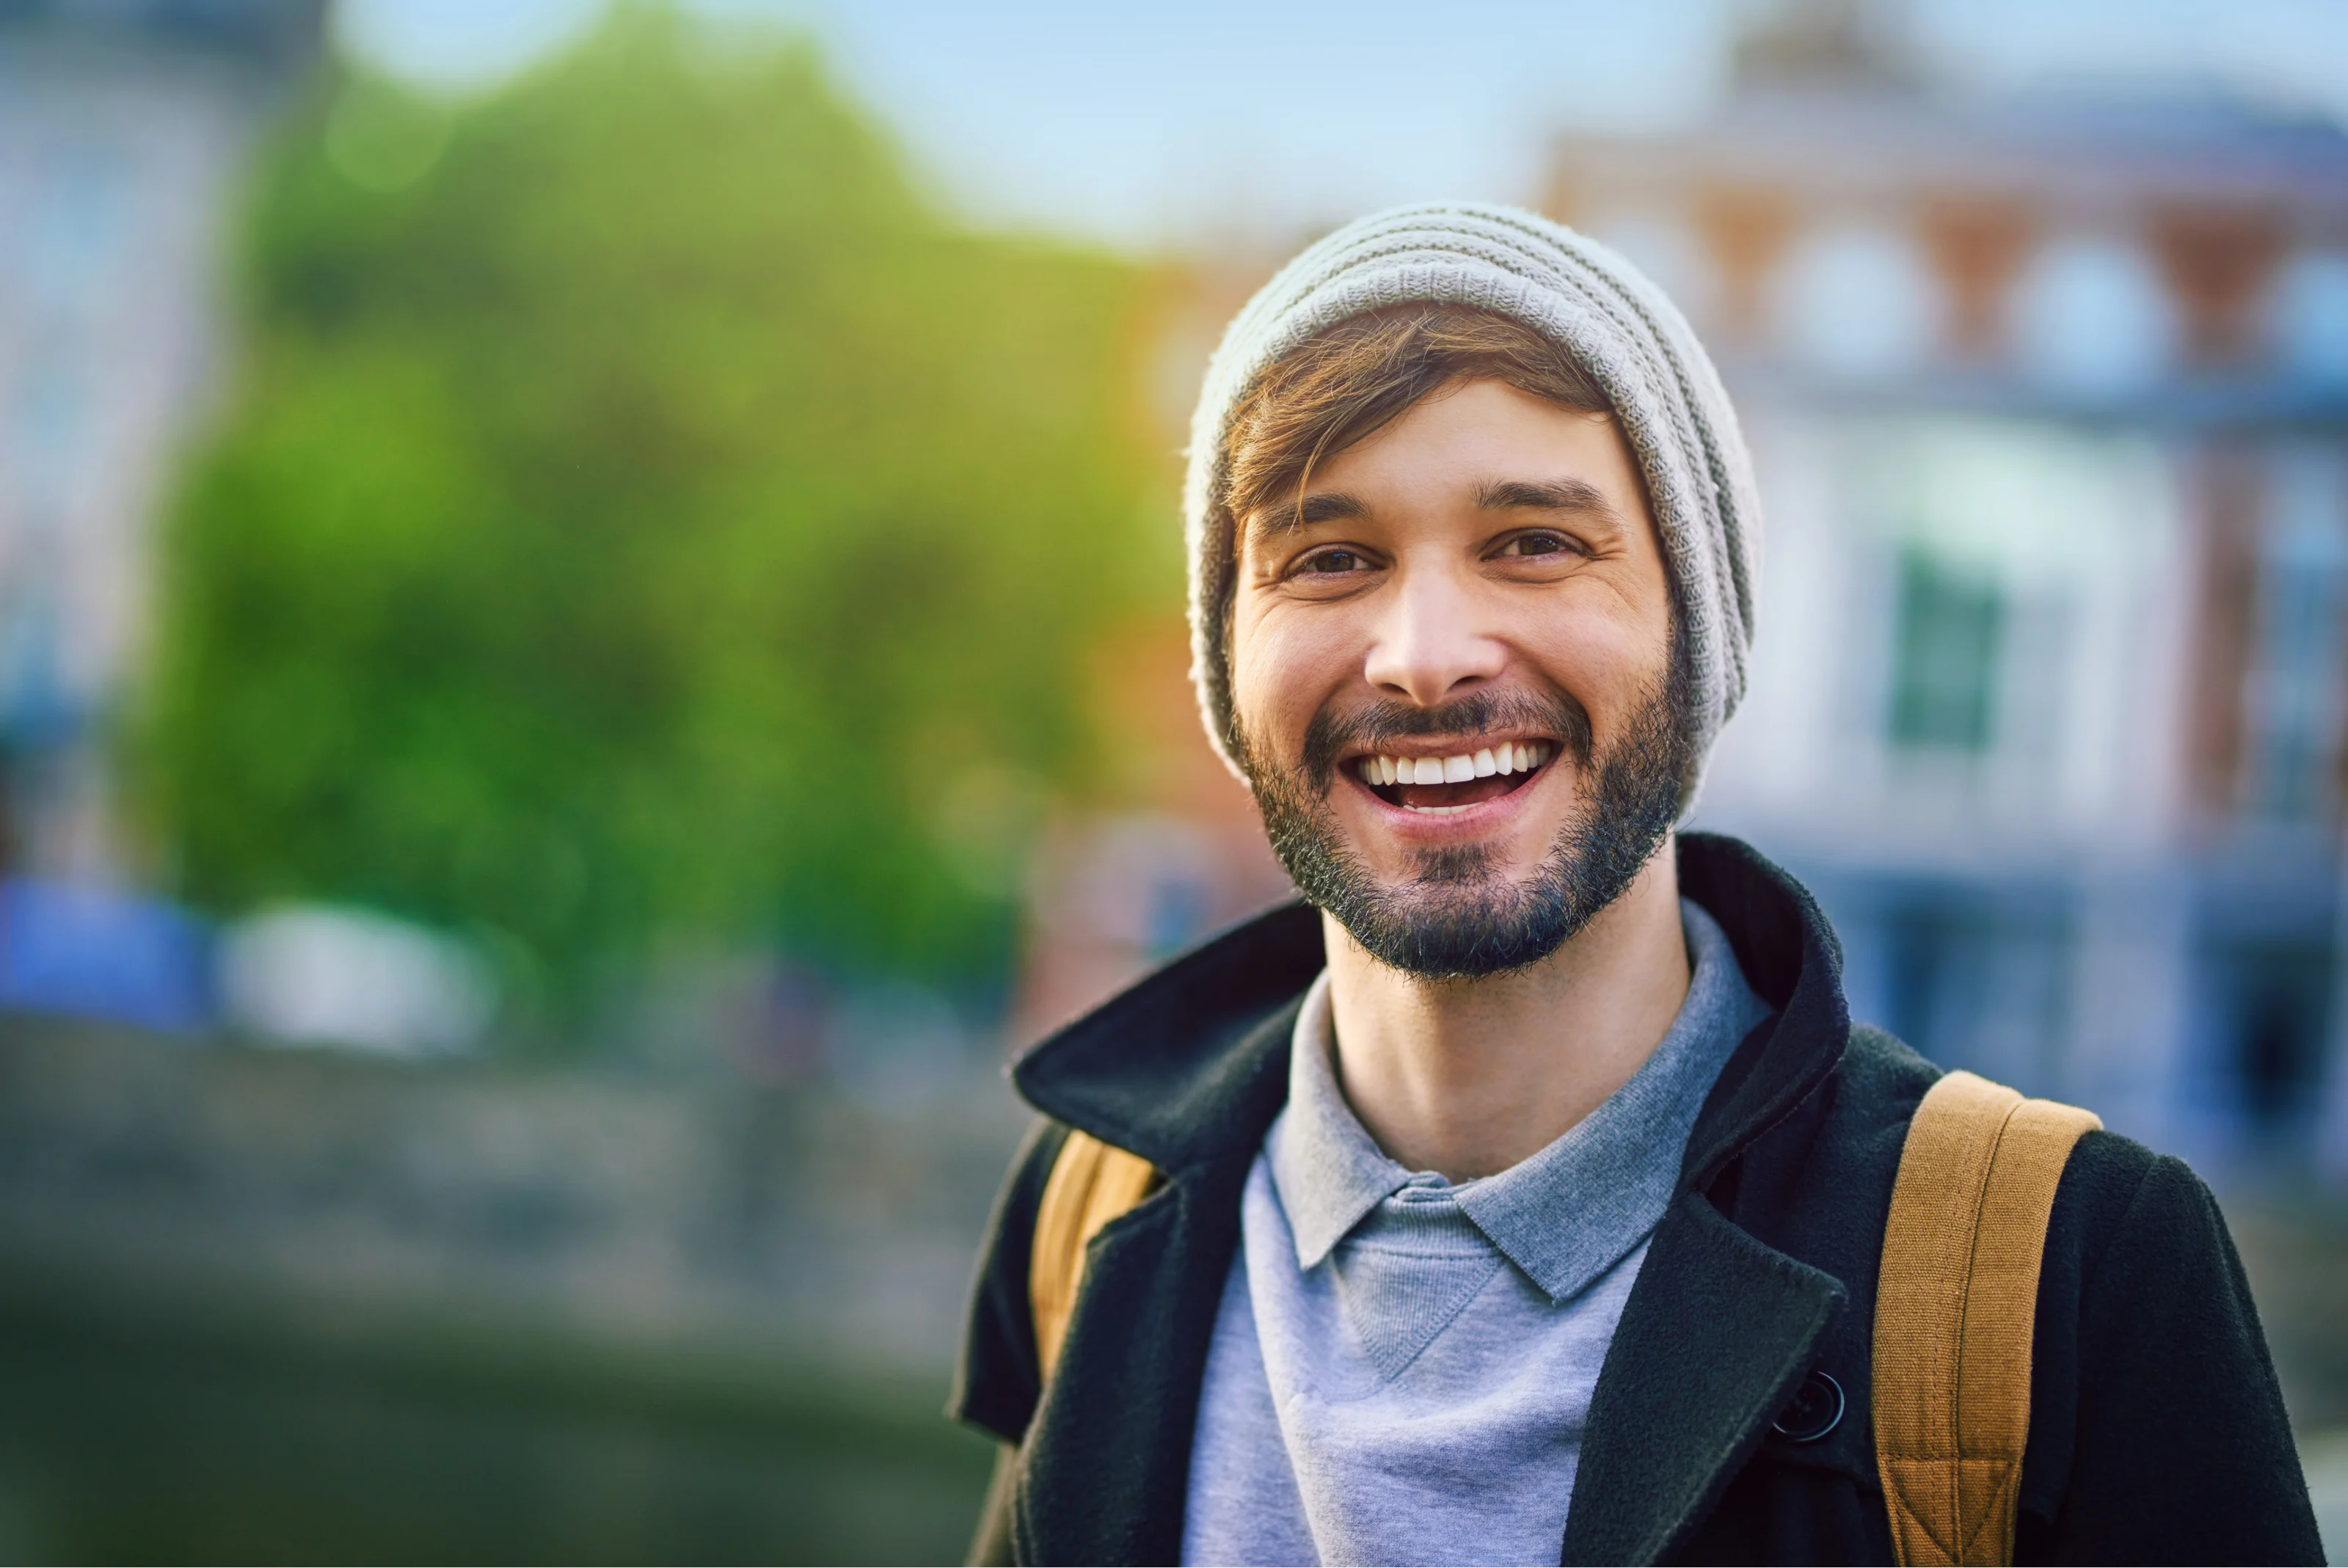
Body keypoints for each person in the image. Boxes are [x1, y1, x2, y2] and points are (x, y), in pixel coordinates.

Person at [950, 204, 2320, 1566]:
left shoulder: (2075, 1275)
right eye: (1330, 558)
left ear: (1699, 625)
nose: (1424, 656)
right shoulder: (1095, 1211)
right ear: (1228, 665)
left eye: (1535, 542)